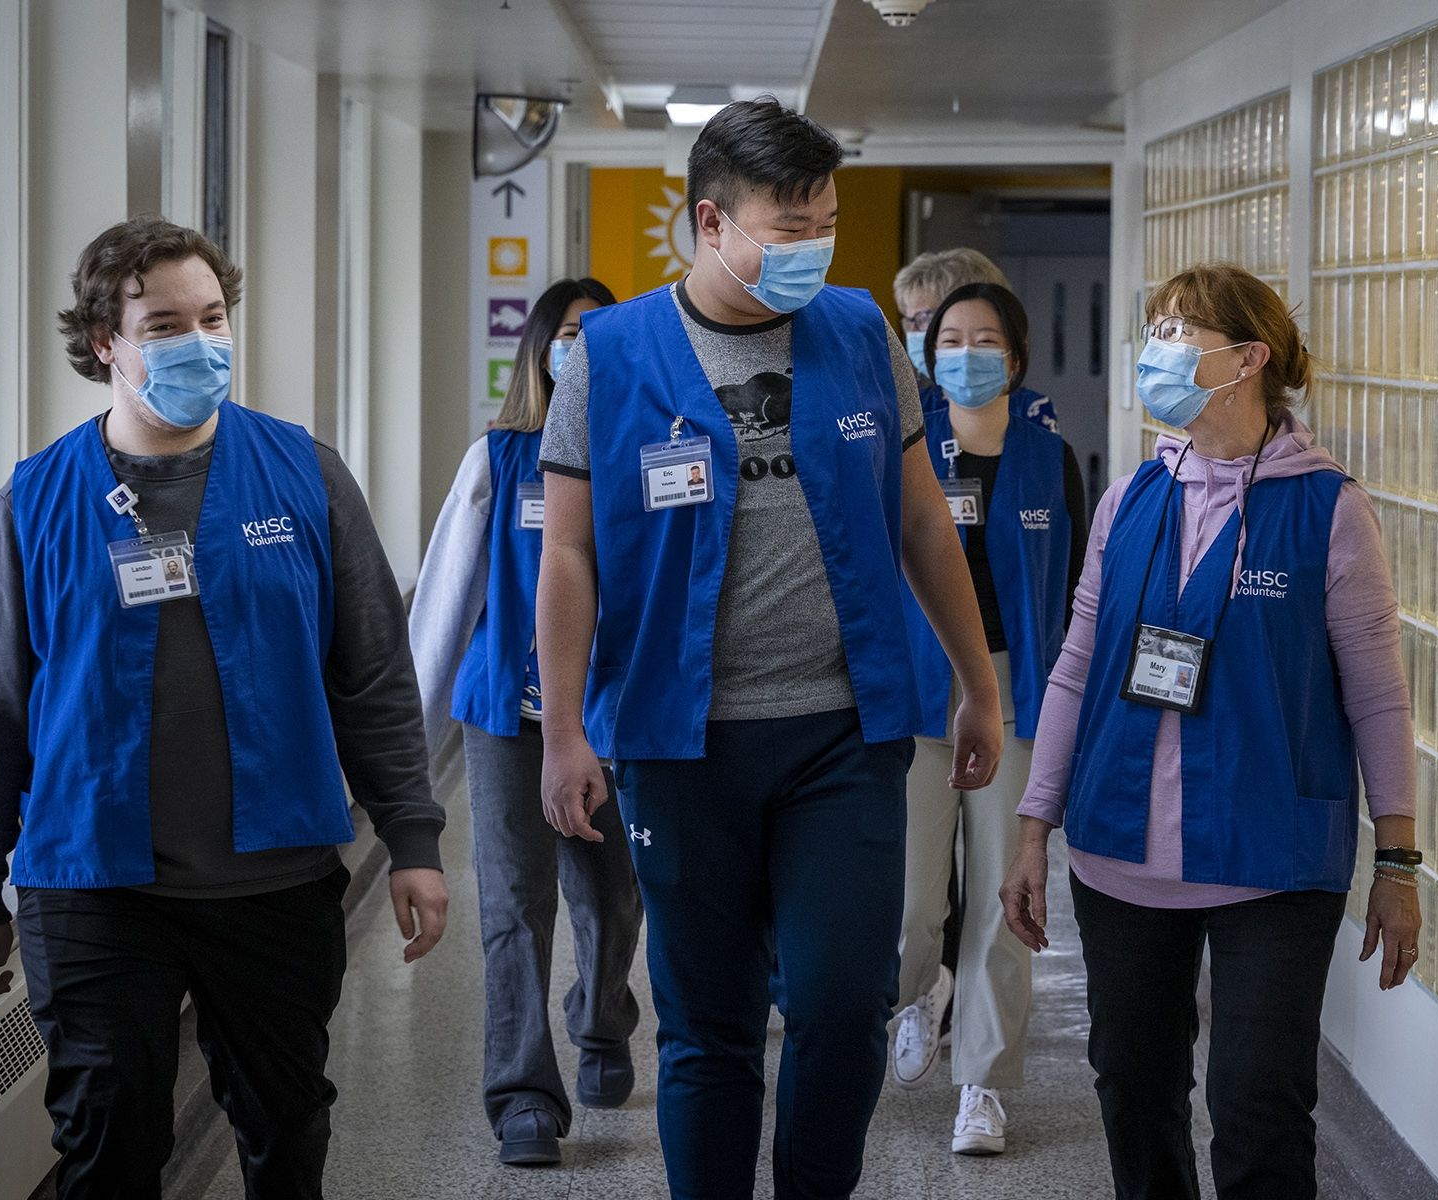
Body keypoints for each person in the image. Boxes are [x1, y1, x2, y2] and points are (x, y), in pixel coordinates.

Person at [535, 98, 1006, 1199]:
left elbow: (922, 519)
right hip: (681, 742)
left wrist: (977, 685)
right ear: (711, 221)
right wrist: (562, 732)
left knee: (843, 1004)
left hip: (842, 734)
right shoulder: (609, 356)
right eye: (789, 228)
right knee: (709, 1025)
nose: (814, 248)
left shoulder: (859, 332)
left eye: (825, 224)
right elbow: (568, 555)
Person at [0, 216, 448, 1200]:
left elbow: (374, 675)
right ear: (106, 343)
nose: (200, 342)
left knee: (285, 1126)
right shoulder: (38, 498)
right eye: (165, 326)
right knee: (107, 1137)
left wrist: (413, 838)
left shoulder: (303, 473)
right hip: (92, 882)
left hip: (273, 878)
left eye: (212, 318)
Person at [1000, 262, 1422, 1200]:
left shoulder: (1329, 509)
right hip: (1120, 852)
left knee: (1260, 1105)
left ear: (1248, 360)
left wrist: (1398, 863)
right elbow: (1075, 667)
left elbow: (1378, 697)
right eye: (1154, 330)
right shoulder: (1130, 500)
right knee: (1134, 1092)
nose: (1155, 351)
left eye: (1177, 333)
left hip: (1270, 856)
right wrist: (1033, 829)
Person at [409, 276, 643, 1168]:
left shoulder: (646, 450)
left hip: (612, 716)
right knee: (514, 903)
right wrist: (407, 750)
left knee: (614, 896)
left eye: (596, 332)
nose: (579, 348)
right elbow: (445, 599)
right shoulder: (498, 459)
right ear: (539, 351)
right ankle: (523, 1098)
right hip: (509, 713)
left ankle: (602, 1017)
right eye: (566, 334)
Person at [889, 282, 1087, 1156]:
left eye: (985, 339)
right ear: (928, 356)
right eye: (950, 339)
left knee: (1007, 897)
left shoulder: (1051, 459)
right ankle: (918, 992)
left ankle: (982, 1085)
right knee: (909, 901)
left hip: (1014, 691)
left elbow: (1076, 594)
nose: (967, 354)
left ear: (1016, 355)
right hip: (918, 686)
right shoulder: (905, 448)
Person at [893, 249, 1060, 434]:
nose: (913, 332)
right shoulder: (911, 411)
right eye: (910, 320)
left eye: (923, 318)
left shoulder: (1031, 410)